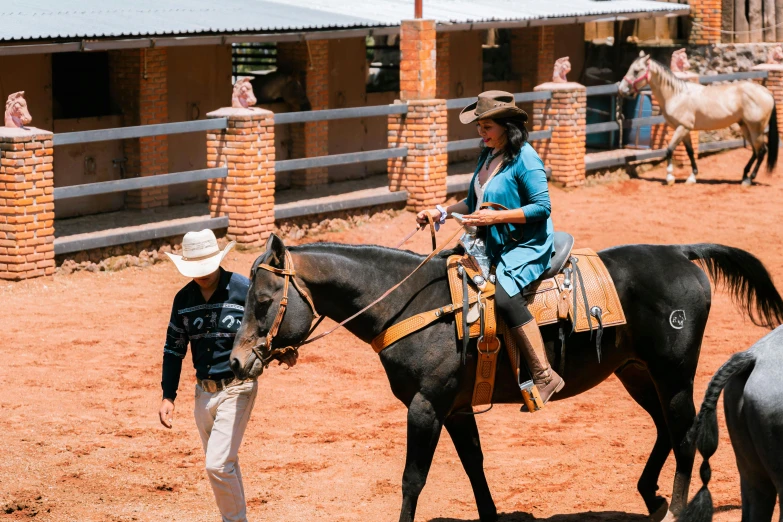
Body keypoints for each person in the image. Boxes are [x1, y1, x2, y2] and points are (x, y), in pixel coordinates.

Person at [416, 90, 565, 405]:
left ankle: (544, 374)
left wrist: (496, 217)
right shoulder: (488, 154)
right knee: (449, 268)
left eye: (487, 127)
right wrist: (440, 212)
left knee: (503, 295)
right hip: (489, 238)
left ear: (507, 127)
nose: (481, 133)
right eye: (479, 126)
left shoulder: (526, 157)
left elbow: (542, 207)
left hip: (525, 242)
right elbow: (474, 201)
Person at [158, 229, 256, 522]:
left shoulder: (244, 289)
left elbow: (265, 329)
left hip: (238, 387)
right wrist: (168, 395)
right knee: (225, 463)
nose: (202, 275)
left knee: (216, 465)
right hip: (203, 394)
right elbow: (174, 350)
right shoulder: (184, 300)